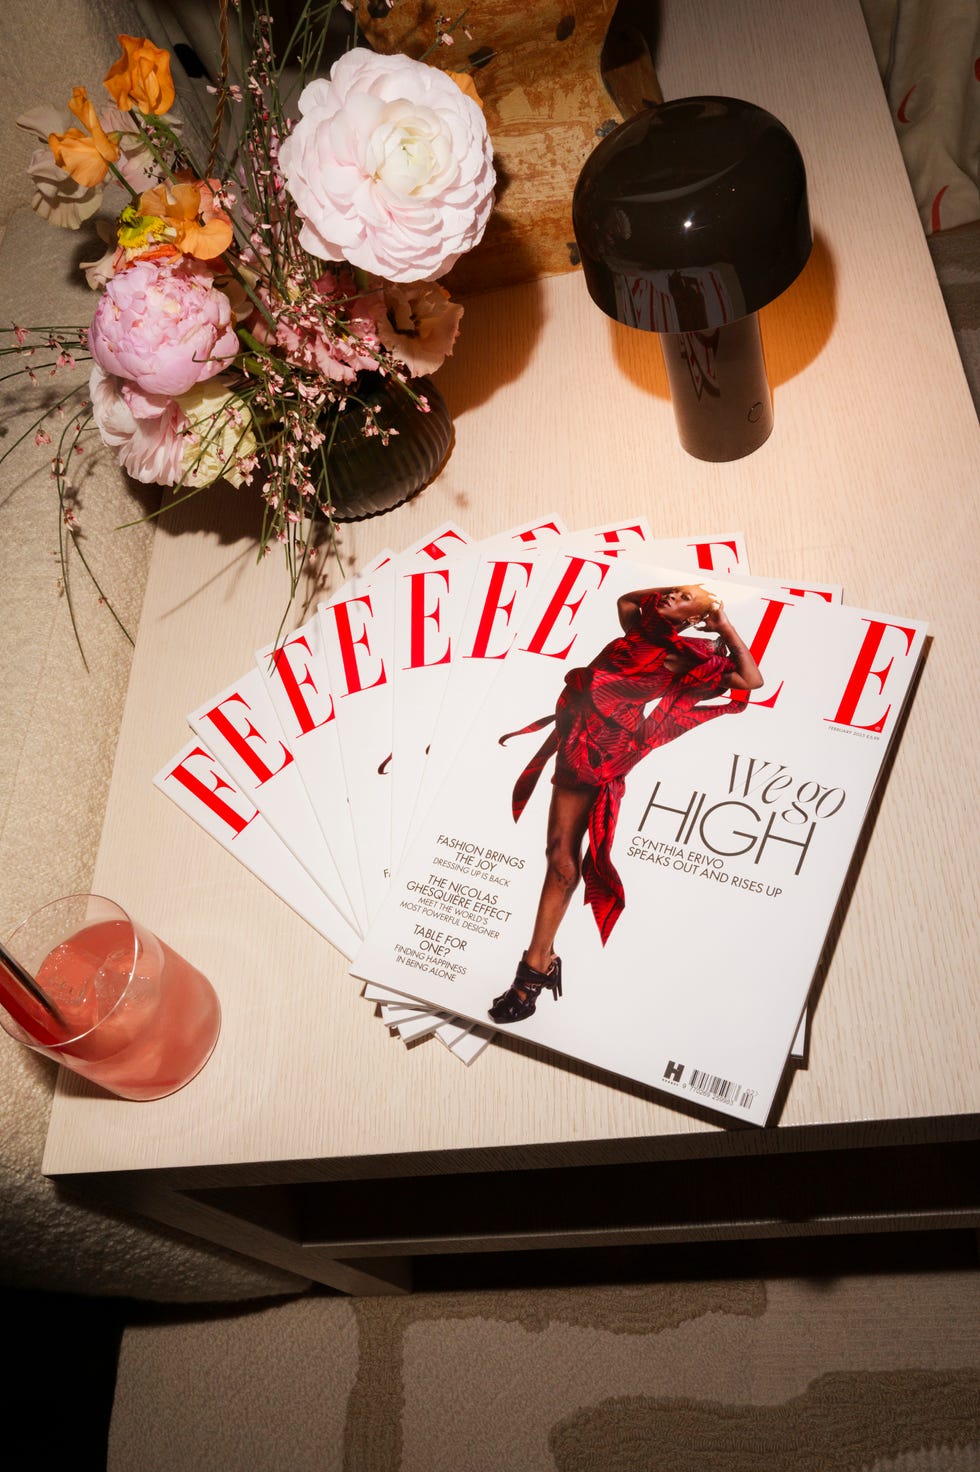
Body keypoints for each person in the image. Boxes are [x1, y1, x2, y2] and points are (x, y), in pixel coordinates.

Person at [489, 584, 764, 1024]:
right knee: (555, 853)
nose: (674, 594)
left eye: (685, 596)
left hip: (605, 748)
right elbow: (628, 599)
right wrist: (686, 595)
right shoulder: (637, 627)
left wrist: (722, 622)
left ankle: (533, 970)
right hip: (576, 735)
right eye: (674, 590)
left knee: (565, 863)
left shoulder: (685, 658)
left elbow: (751, 681)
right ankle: (544, 959)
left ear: (696, 618)